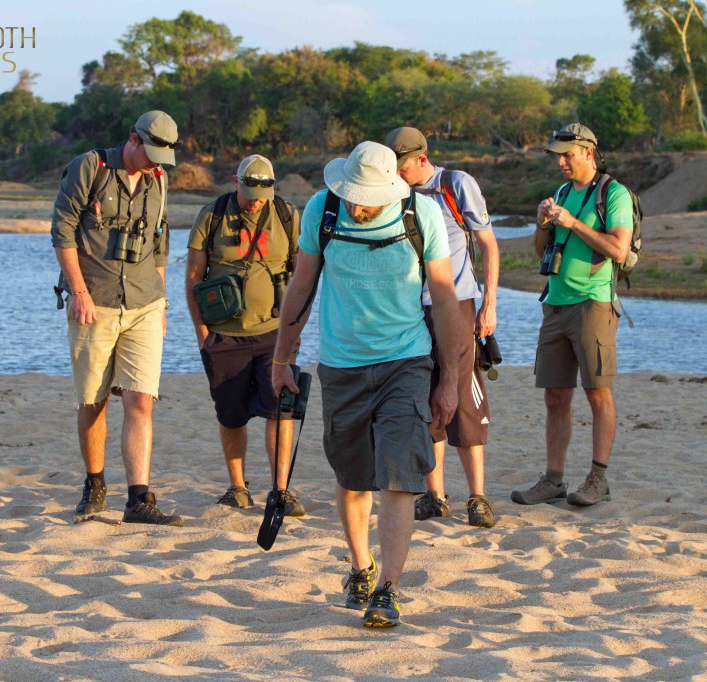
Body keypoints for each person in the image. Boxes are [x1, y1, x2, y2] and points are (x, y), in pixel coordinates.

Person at [271, 141, 459, 627]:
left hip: (406, 360)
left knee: (399, 476)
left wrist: (450, 382)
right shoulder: (323, 209)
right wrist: (281, 359)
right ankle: (360, 567)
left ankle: (387, 590)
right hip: (341, 364)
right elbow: (301, 286)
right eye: (351, 193)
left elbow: (444, 299)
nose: (356, 204)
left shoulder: (422, 215)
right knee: (353, 476)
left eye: (366, 196)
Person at [51, 110, 182, 526]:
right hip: (96, 301)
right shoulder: (90, 167)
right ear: (133, 139)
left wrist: (161, 302)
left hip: (144, 302)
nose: (156, 163)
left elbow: (160, 244)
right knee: (95, 400)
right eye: (152, 153)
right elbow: (62, 231)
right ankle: (94, 484)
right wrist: (79, 292)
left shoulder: (159, 181)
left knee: (141, 399)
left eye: (164, 156)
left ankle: (138, 499)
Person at [384, 126, 500, 529]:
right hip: (412, 310)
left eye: (401, 167)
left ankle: (478, 498)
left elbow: (488, 245)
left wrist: (489, 304)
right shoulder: (393, 193)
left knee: (466, 400)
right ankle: (435, 497)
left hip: (458, 304)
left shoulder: (455, 184)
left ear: (420, 157)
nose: (396, 175)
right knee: (426, 398)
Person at [512, 123, 633, 508]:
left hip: (593, 303)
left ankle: (598, 479)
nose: (561, 161)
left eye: (567, 154)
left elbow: (617, 249)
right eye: (557, 155)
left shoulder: (614, 194)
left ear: (588, 152)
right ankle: (554, 480)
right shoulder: (563, 193)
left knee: (598, 392)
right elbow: (539, 251)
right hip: (555, 302)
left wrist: (573, 223)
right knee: (555, 395)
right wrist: (543, 222)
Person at [185, 154, 305, 516]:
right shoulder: (212, 214)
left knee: (279, 412)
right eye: (248, 191)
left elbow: (302, 275)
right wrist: (202, 333)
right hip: (224, 334)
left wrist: (295, 329)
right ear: (236, 182)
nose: (254, 200)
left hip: (275, 333)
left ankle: (280, 489)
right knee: (231, 415)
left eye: (261, 193)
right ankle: (237, 487)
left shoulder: (286, 215)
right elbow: (193, 276)